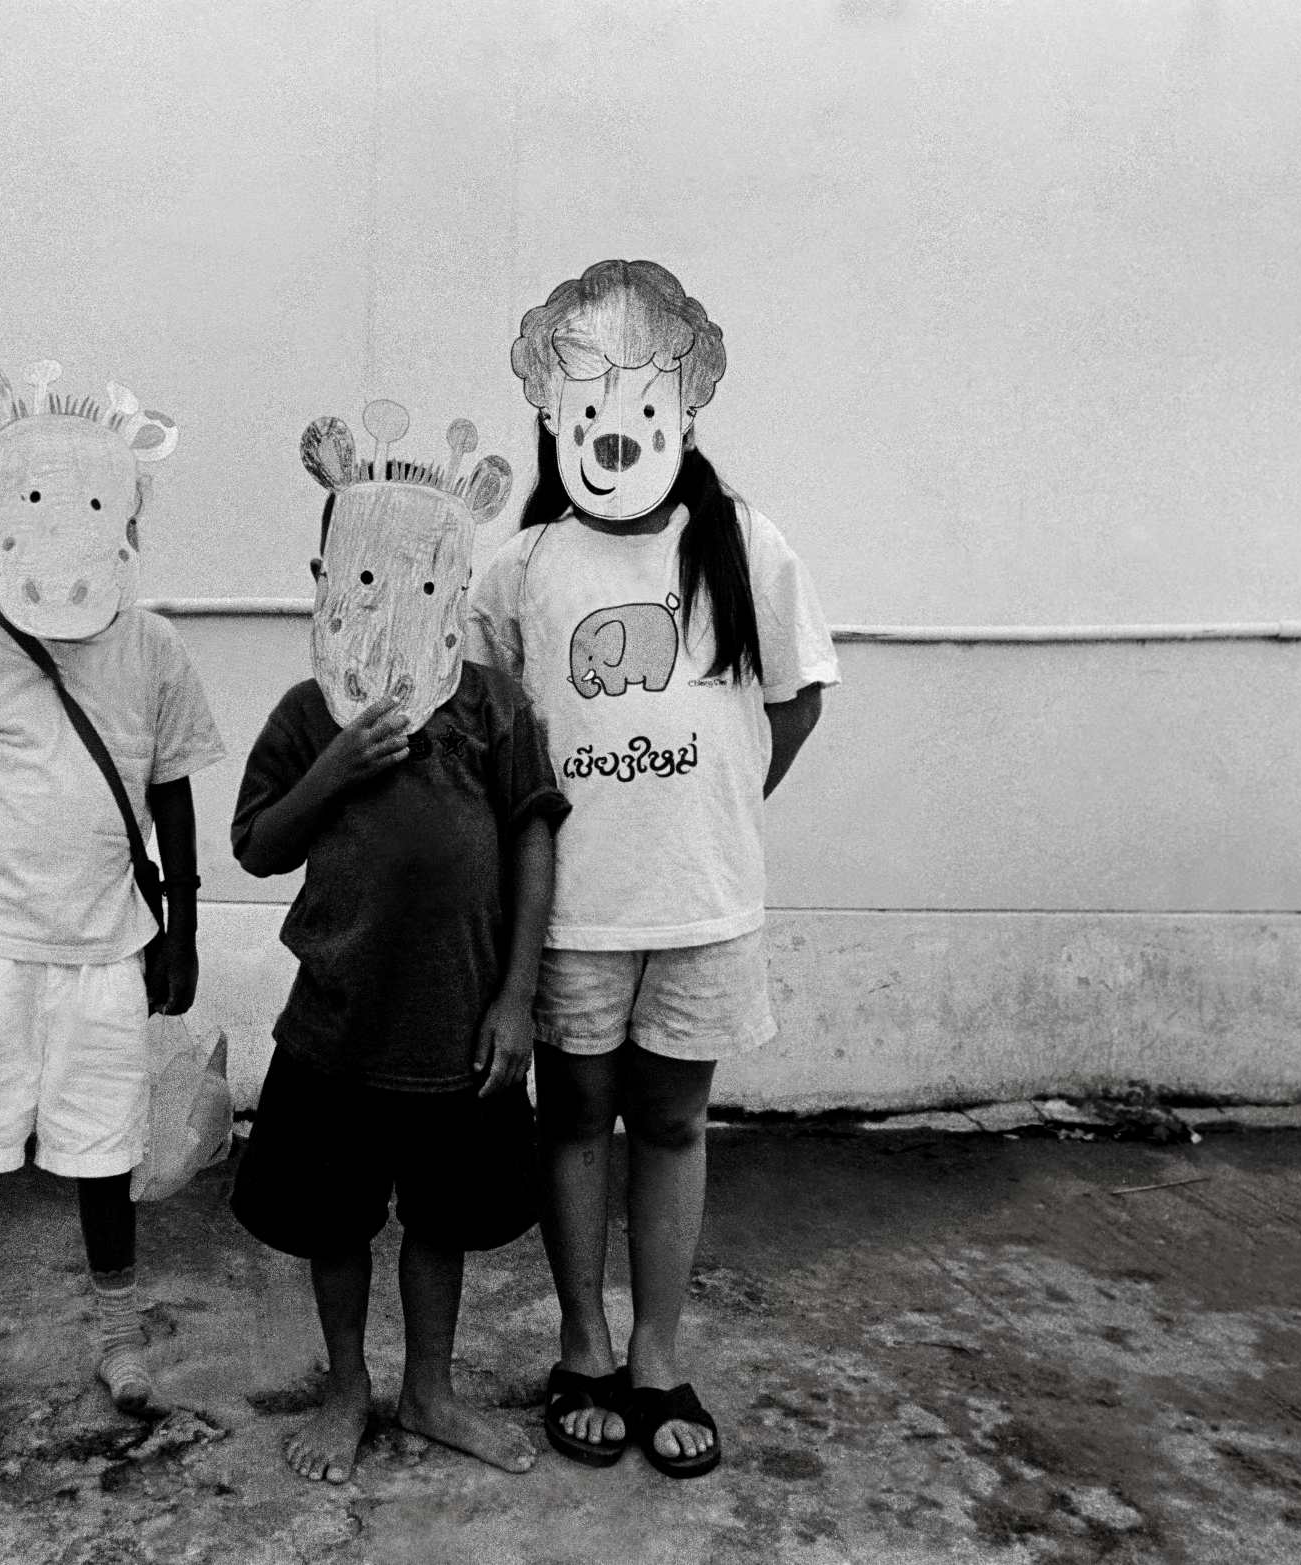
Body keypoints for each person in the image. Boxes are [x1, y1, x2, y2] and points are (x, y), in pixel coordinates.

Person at [469, 259, 837, 1479]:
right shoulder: (520, 568)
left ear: (682, 411)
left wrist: (710, 809)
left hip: (700, 904)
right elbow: (484, 734)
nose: (613, 435)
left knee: (674, 1121)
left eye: (638, 409)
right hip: (572, 911)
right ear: (554, 422)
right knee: (573, 1117)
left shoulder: (745, 544)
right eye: (587, 414)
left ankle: (660, 1352)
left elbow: (792, 702)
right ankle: (583, 1340)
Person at [0, 366, 223, 1441]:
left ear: (123, 513)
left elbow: (169, 787)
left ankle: (118, 1338)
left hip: (105, 951)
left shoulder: (155, 647)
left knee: (102, 1153)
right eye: (35, 500)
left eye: (89, 501)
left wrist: (181, 925)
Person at [230, 475, 570, 1486]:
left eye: (425, 578)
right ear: (326, 581)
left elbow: (535, 834)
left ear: (457, 582)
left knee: (444, 1218)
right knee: (333, 1218)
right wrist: (335, 763)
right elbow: (255, 844)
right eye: (369, 575)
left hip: (459, 1025)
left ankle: (428, 1388)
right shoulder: (306, 711)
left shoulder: (492, 704)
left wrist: (518, 997)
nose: (397, 596)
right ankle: (348, 1388)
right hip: (337, 1026)